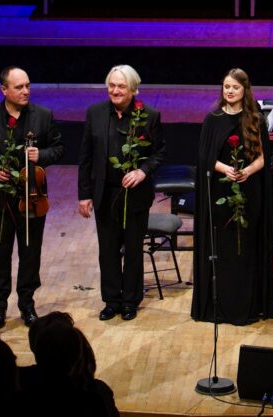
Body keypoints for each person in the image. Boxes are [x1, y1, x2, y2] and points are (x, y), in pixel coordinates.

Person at [0, 66, 64, 329]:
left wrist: (41, 156)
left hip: (33, 197)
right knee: (0, 253)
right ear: (4, 90)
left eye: (27, 86)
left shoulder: (43, 116)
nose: (25, 91)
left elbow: (59, 149)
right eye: (19, 87)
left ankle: (27, 304)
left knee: (31, 252)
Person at [78, 65, 165, 321]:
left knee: (134, 249)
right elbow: (85, 158)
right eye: (111, 85)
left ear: (133, 90)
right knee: (107, 250)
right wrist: (84, 194)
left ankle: (130, 301)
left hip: (135, 195)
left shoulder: (149, 115)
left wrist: (142, 171)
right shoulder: (94, 113)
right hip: (105, 193)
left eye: (121, 86)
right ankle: (111, 300)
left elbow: (160, 152)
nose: (115, 91)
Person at [191, 68, 273, 325]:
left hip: (249, 192)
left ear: (244, 90)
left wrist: (247, 171)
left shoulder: (256, 119)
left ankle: (246, 305)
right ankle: (221, 304)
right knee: (224, 247)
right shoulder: (212, 119)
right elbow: (204, 157)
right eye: (226, 86)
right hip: (220, 191)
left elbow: (263, 157)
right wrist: (224, 168)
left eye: (234, 88)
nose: (229, 91)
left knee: (245, 247)